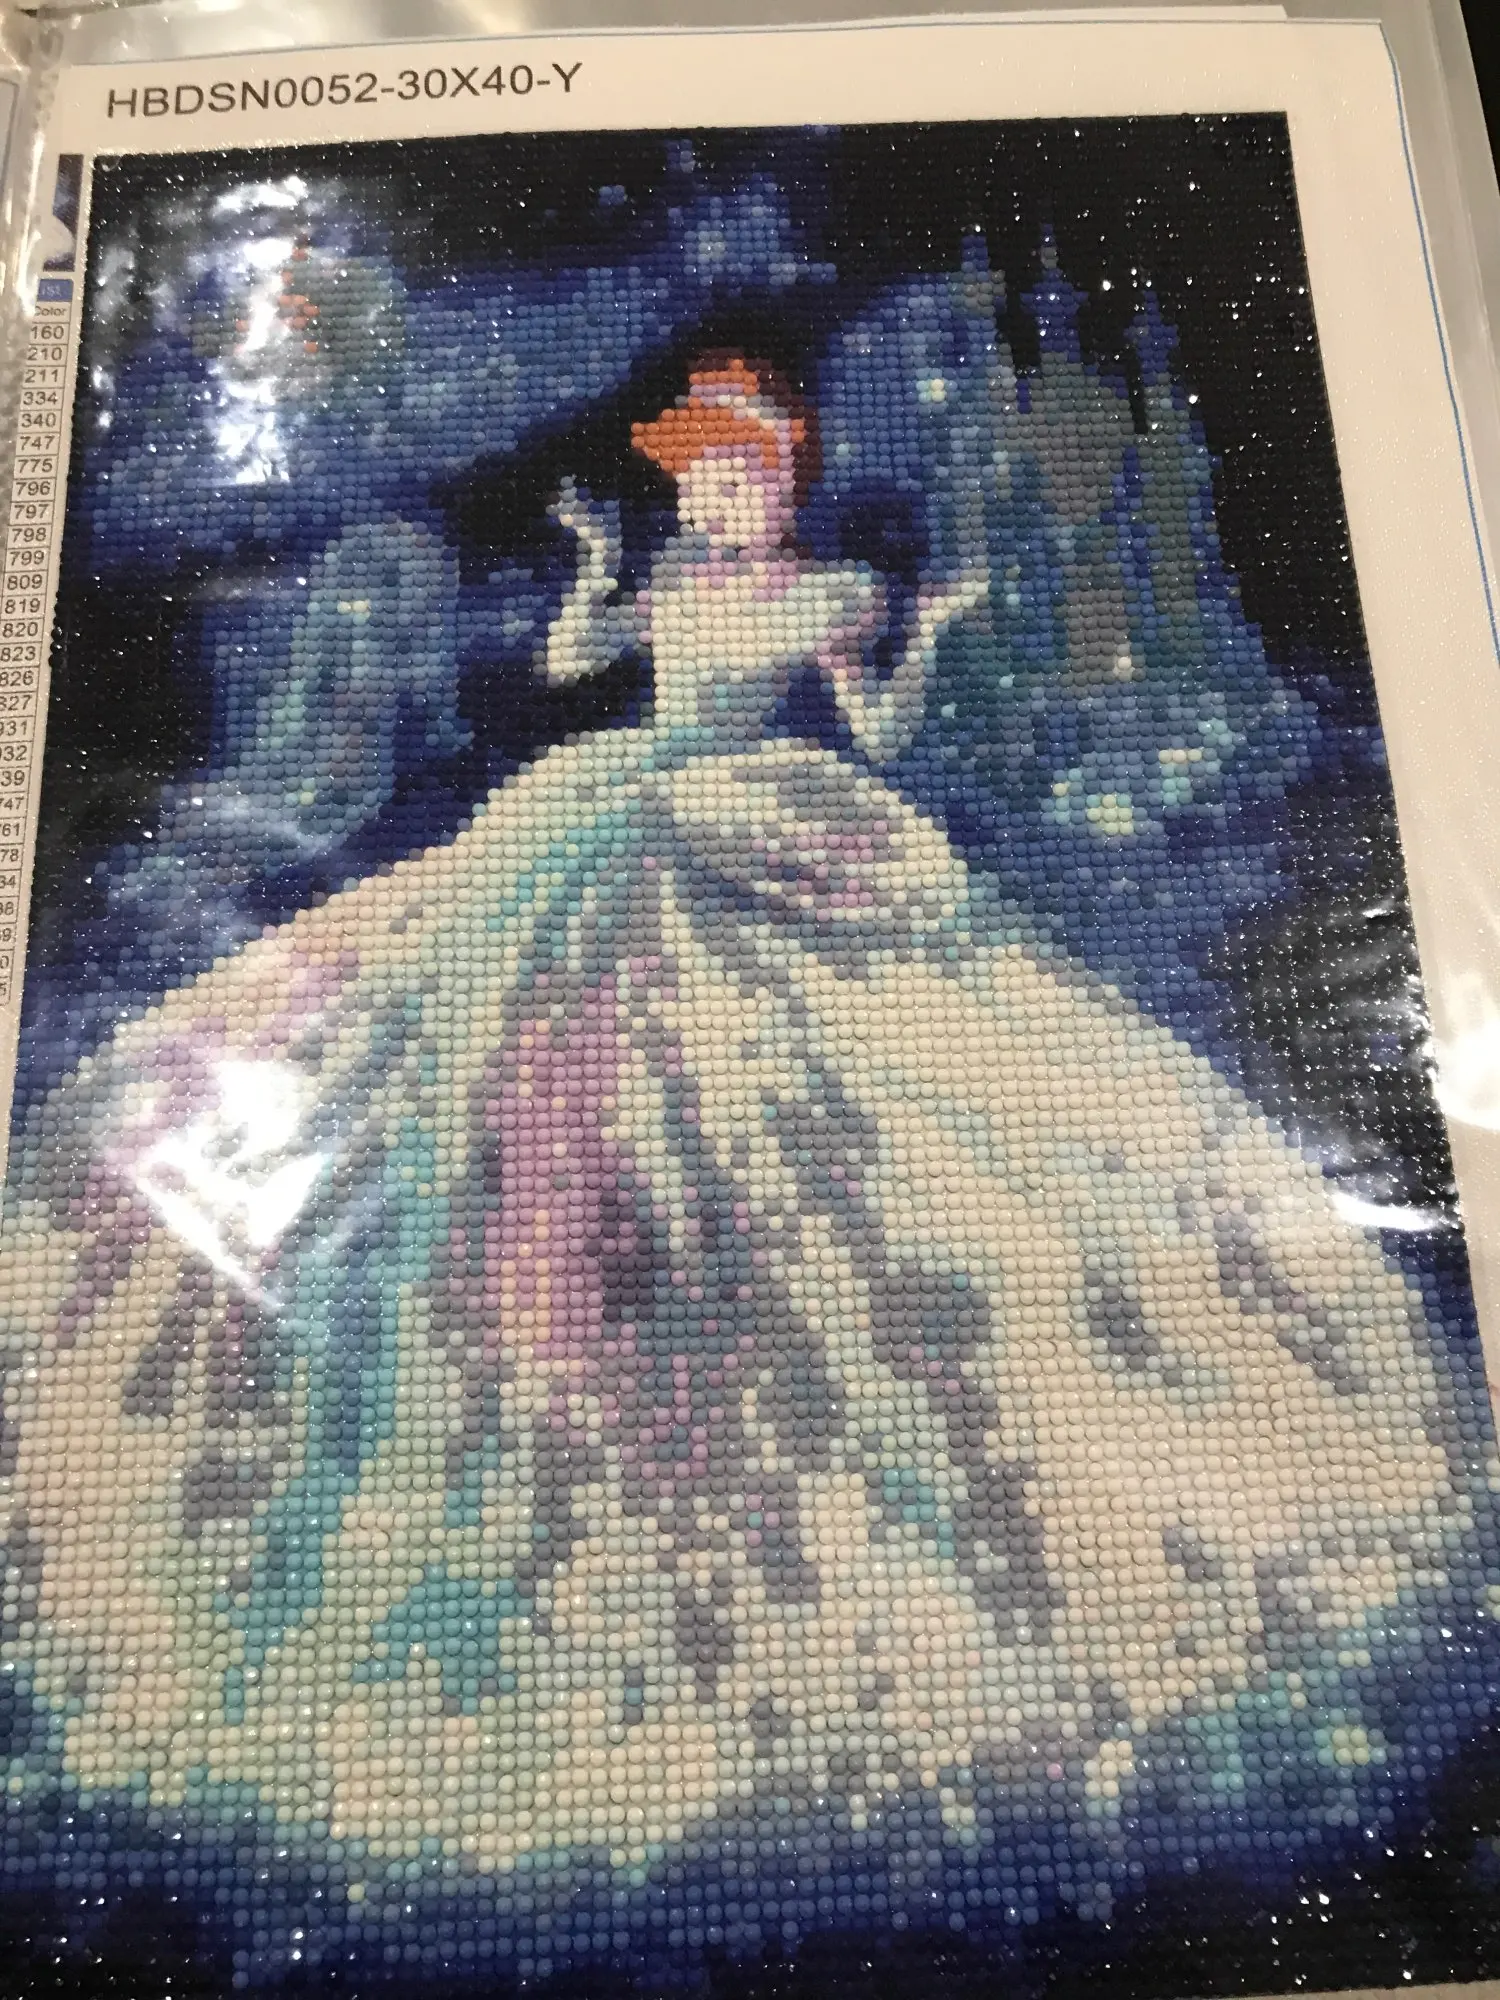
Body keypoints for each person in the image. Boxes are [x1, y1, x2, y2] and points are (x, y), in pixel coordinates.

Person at [0, 354, 1467, 1874]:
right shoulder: (672, 585)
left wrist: (928, 638)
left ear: (783, 483)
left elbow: (878, 734)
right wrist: (591, 569)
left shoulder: (828, 592)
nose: (717, 497)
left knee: (822, 1079)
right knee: (511, 1045)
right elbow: (572, 661)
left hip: (763, 820)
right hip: (614, 812)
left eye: (740, 475)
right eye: (699, 477)